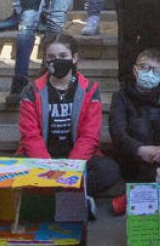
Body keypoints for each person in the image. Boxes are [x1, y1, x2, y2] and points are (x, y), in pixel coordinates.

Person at [17, 34, 123, 212]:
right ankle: (74, 197)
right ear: (45, 60)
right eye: (51, 57)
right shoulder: (31, 91)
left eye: (63, 56)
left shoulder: (90, 89)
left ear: (74, 58)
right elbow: (30, 136)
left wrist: (71, 169)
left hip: (77, 158)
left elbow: (90, 136)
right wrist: (48, 166)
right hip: (43, 157)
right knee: (16, 166)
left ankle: (51, 195)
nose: (57, 61)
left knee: (109, 170)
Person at [109, 49, 160, 191]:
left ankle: (159, 186)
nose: (149, 74)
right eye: (145, 68)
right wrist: (139, 149)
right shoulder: (121, 96)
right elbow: (117, 131)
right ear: (135, 70)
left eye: (155, 71)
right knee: (140, 125)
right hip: (133, 160)